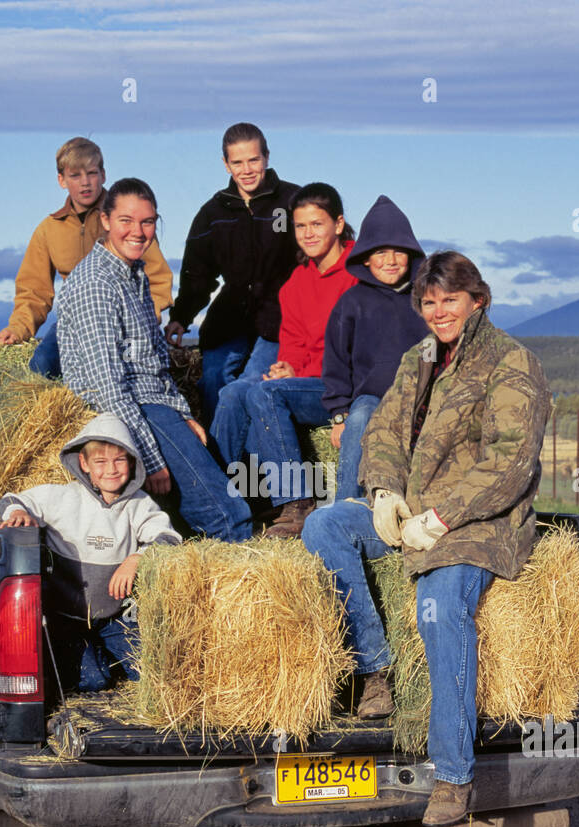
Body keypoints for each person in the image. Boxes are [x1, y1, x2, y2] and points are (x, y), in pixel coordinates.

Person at [300, 251, 552, 827]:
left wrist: (439, 517)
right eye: (430, 302)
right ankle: (377, 667)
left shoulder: (513, 364)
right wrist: (385, 489)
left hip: (477, 525)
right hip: (412, 509)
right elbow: (384, 427)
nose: (439, 312)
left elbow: (510, 462)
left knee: (438, 611)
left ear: (477, 300)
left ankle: (454, 776)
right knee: (325, 525)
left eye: (451, 301)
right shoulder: (420, 358)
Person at [56, 177, 253, 542]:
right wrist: (152, 457)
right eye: (127, 221)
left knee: (229, 468)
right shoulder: (96, 284)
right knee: (227, 514)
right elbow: (107, 388)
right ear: (106, 221)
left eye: (148, 222)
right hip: (133, 408)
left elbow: (158, 363)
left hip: (157, 404)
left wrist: (184, 414)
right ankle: (243, 590)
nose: (139, 231)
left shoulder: (136, 275)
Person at [0, 413, 181, 690]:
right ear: (84, 463)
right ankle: (95, 661)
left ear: (132, 461)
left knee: (150, 674)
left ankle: (107, 652)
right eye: (100, 462)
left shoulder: (139, 504)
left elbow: (168, 536)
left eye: (120, 460)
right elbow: (13, 499)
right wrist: (19, 512)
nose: (111, 469)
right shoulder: (62, 497)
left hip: (114, 616)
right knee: (95, 680)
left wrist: (137, 558)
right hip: (66, 619)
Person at [218, 183, 356, 538]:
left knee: (264, 395)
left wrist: (295, 375)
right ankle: (224, 500)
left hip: (346, 387)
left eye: (317, 224)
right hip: (309, 383)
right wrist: (287, 368)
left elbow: (354, 350)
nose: (308, 234)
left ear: (338, 224)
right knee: (237, 392)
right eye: (300, 226)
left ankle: (297, 503)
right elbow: (292, 344)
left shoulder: (359, 274)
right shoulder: (295, 283)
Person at [0, 137, 174, 378]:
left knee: (140, 375)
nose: (85, 183)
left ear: (104, 175)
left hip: (128, 320)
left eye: (92, 173)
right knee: (41, 366)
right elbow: (33, 291)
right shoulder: (48, 229)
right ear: (61, 180)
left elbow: (158, 279)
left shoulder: (126, 218)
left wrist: (144, 320)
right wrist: (17, 329)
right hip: (76, 323)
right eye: (75, 175)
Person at [163, 123, 300, 423]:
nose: (247, 169)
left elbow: (316, 255)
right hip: (231, 317)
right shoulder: (213, 213)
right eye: (237, 162)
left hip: (280, 317)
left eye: (253, 160)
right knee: (214, 379)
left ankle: (253, 463)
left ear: (266, 157)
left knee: (251, 385)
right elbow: (198, 273)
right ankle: (217, 461)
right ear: (225, 164)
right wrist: (181, 317)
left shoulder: (292, 201)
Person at [321, 195, 430, 501]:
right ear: (366, 257)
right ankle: (347, 505)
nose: (391, 260)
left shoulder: (426, 301)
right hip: (370, 398)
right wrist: (340, 415)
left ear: (412, 255)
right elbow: (336, 363)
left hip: (419, 397)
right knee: (361, 417)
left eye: (399, 251)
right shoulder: (351, 303)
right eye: (381, 252)